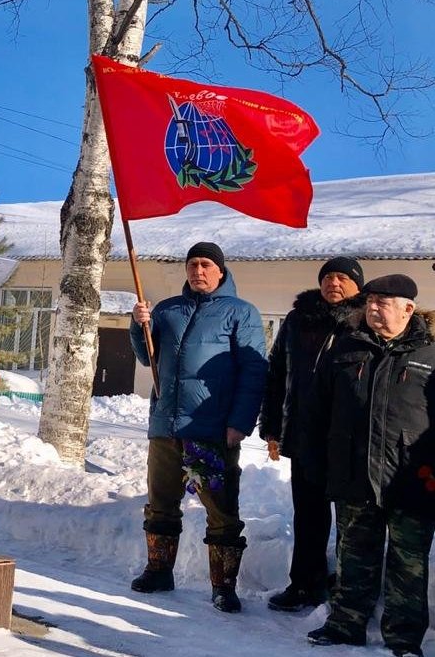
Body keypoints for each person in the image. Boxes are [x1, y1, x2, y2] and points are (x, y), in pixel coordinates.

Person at [307, 274, 435, 657]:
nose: (372, 308)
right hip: (354, 474)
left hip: (415, 477)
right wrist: (317, 461)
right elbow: (316, 411)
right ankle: (345, 623)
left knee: (409, 565)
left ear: (407, 308)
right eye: (369, 301)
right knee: (354, 554)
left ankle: (404, 637)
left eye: (382, 302)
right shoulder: (345, 349)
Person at [129, 241, 268, 613]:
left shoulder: (241, 313)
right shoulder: (168, 310)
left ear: (221, 271)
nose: (198, 271)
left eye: (206, 265)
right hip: (165, 427)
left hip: (212, 429)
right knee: (160, 504)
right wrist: (138, 324)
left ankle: (224, 586)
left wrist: (239, 422)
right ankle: (159, 570)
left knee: (220, 508)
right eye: (193, 265)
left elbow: (254, 372)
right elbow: (147, 356)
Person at [260, 256, 364, 611]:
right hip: (306, 435)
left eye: (343, 278)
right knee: (308, 515)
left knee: (353, 518)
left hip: (351, 440)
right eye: (328, 277)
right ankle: (305, 583)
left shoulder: (367, 319)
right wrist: (272, 427)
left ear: (357, 286)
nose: (334, 283)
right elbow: (276, 374)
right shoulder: (297, 320)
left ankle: (352, 588)